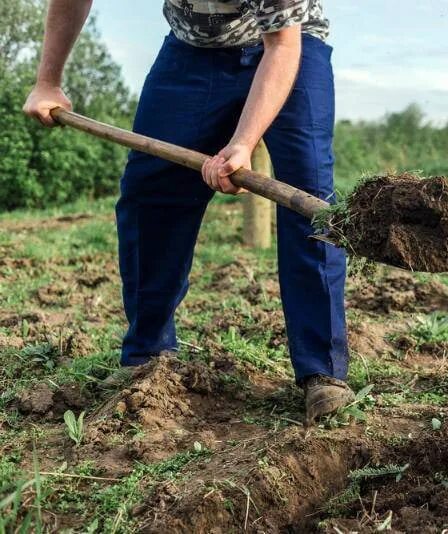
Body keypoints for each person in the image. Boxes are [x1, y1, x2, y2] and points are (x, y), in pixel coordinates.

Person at [23, 0, 353, 424]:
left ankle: (322, 371)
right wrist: (47, 80)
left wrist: (242, 142)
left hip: (292, 46)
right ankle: (148, 353)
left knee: (308, 199)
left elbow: (282, 48)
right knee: (150, 191)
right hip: (192, 50)